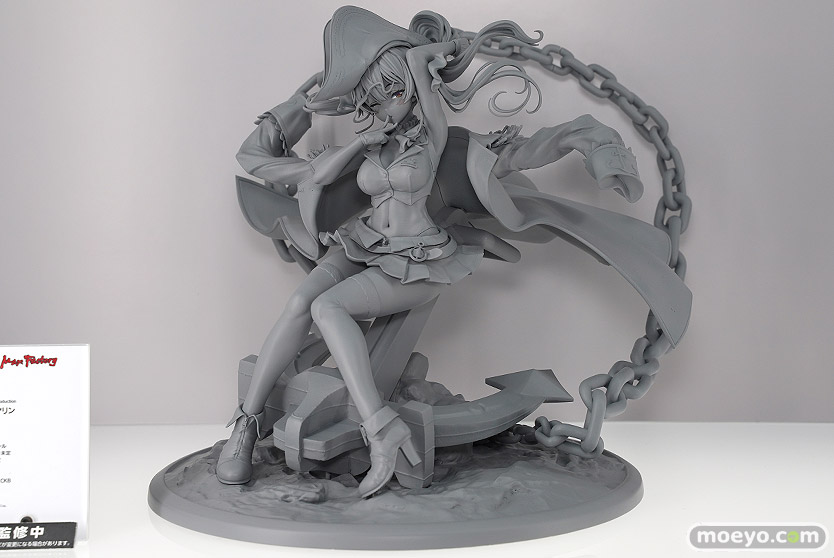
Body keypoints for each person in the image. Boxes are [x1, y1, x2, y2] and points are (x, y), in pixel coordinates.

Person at [218, 7, 688, 498]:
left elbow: (498, 135)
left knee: (327, 308)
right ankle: (246, 424)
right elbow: (272, 164)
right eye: (375, 95)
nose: (388, 104)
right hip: (362, 246)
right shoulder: (366, 146)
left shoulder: (435, 142)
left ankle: (379, 430)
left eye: (395, 90)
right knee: (299, 303)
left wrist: (593, 144)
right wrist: (325, 116)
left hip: (416, 259)